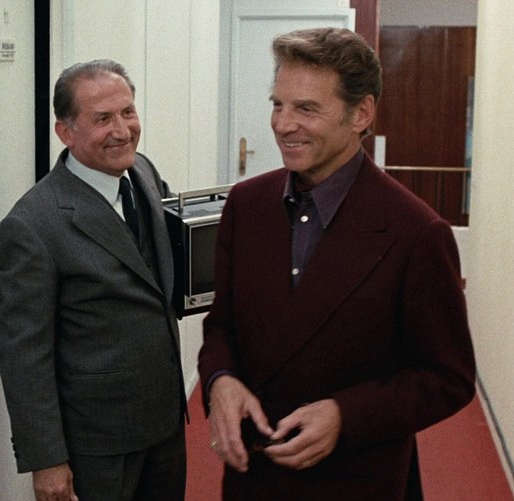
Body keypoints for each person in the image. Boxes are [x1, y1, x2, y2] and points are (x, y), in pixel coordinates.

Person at [198, 27, 476, 500]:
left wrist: (345, 416)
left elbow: (447, 378)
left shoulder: (416, 232)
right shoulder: (245, 205)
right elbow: (222, 326)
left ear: (361, 114)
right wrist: (220, 381)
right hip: (254, 477)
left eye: (306, 108)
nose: (283, 124)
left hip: (357, 480)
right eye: (278, 104)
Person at [0, 59, 187, 501]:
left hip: (165, 425)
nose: (122, 130)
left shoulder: (143, 173)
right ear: (65, 132)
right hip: (98, 446)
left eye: (128, 112)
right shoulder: (33, 224)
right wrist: (46, 459)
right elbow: (24, 354)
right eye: (102, 119)